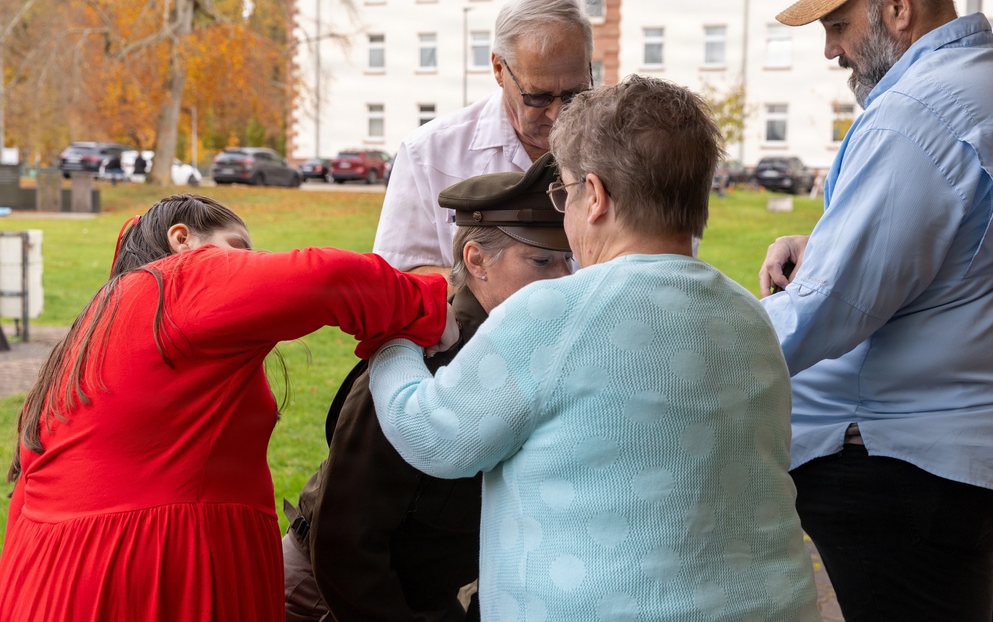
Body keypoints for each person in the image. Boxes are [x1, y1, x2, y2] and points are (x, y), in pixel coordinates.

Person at [369, 75, 821, 620]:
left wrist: (390, 343)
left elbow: (434, 436)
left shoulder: (555, 312)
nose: (564, 211)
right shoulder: (749, 316)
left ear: (596, 196)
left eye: (563, 192)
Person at [0, 194, 452, 622]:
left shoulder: (89, 330)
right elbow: (328, 278)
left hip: (48, 578)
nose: (250, 264)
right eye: (238, 248)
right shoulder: (175, 283)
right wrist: (433, 306)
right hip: (148, 574)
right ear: (183, 240)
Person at [757, 0, 993, 619]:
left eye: (837, 24)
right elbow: (966, 247)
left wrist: (686, 330)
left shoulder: (915, 116)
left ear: (896, 7)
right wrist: (827, 242)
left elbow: (826, 313)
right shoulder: (985, 85)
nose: (831, 49)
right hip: (958, 455)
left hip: (897, 463)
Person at [282, 154, 574, 622]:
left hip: (430, 595)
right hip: (331, 597)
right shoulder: (421, 356)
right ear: (476, 260)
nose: (564, 279)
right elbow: (344, 539)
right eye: (541, 260)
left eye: (567, 260)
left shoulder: (530, 347)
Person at [372, 0, 592, 277]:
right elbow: (395, 280)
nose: (557, 115)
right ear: (499, 69)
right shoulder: (428, 153)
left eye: (573, 95)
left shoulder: (624, 146)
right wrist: (489, 287)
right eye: (537, 97)